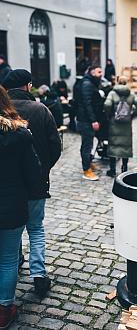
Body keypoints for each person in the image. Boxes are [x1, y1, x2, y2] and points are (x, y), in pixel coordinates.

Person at [2, 69, 61, 298]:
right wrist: (42, 169)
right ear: (28, 85)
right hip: (36, 183)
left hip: (8, 185)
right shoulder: (40, 109)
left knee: (11, 230)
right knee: (35, 229)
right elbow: (55, 147)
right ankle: (38, 275)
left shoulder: (4, 111)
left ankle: (14, 263)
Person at [0, 86, 41, 328]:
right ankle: (4, 309)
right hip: (11, 206)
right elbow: (33, 173)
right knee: (7, 259)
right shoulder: (20, 135)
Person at [104, 76, 137, 177]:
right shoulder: (130, 94)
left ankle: (112, 170)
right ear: (126, 82)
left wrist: (110, 115)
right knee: (126, 146)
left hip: (114, 122)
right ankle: (124, 168)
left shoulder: (112, 93)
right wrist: (132, 115)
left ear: (118, 81)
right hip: (126, 123)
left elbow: (107, 104)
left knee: (113, 145)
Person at [76, 65, 103, 180]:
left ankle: (89, 163)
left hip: (87, 120)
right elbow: (87, 104)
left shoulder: (90, 82)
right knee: (87, 145)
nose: (101, 74)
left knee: (89, 144)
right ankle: (86, 170)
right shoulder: (87, 84)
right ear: (92, 72)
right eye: (99, 72)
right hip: (85, 120)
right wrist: (93, 120)